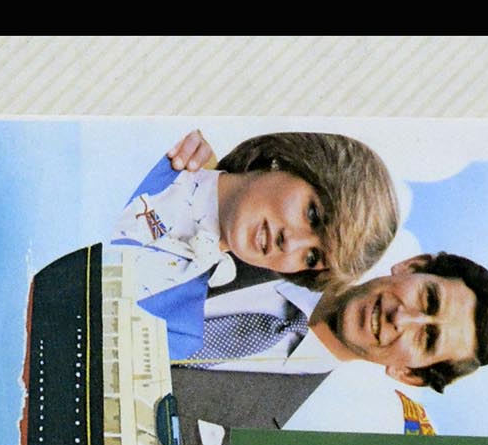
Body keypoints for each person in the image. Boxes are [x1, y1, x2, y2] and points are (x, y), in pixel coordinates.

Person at [171, 249, 488, 445]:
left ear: (408, 374)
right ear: (413, 266)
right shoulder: (264, 232)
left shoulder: (250, 440)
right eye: (428, 299)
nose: (402, 318)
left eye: (426, 339)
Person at [110, 129, 399, 361]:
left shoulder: (180, 331)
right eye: (313, 215)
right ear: (288, 161)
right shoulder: (160, 140)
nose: (291, 243)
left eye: (312, 257)